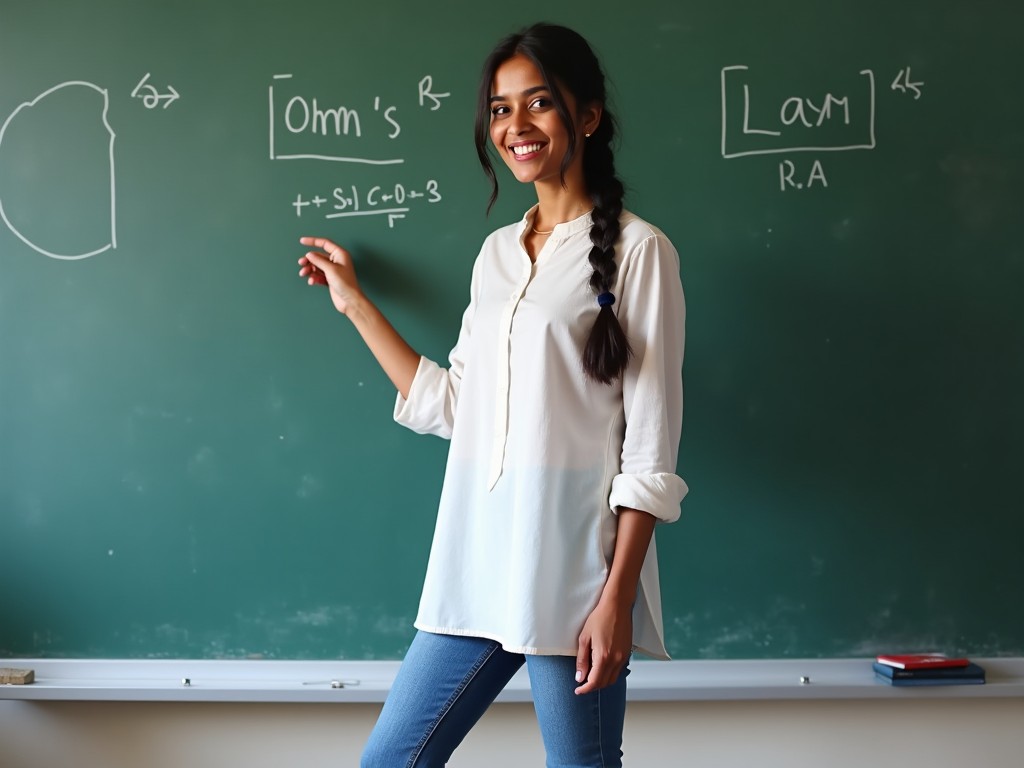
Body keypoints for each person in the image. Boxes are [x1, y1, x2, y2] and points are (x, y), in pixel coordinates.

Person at [297, 22, 687, 768]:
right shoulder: (498, 253)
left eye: (538, 103)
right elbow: (454, 405)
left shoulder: (641, 252)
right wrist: (353, 302)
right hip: (475, 564)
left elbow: (650, 446)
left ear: (588, 116)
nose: (516, 125)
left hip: (573, 576)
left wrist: (615, 600)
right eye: (501, 109)